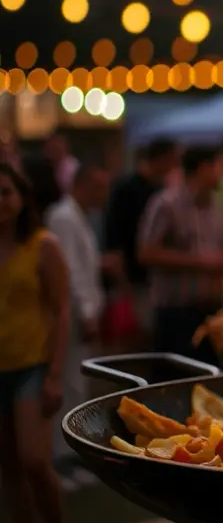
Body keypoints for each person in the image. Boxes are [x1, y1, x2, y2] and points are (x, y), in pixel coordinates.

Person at [0, 162, 69, 523]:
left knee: (34, 461)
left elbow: (62, 310)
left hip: (32, 365)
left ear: (22, 197)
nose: (1, 201)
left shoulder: (43, 245)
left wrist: (55, 375)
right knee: (8, 468)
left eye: (6, 192)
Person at [138, 146, 223, 367]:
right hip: (176, 314)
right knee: (174, 380)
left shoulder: (215, 206)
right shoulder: (166, 204)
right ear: (203, 168)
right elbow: (146, 253)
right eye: (218, 167)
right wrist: (200, 262)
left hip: (211, 314)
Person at [45, 164, 109, 461]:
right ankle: (63, 453)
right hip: (69, 313)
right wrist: (86, 312)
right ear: (83, 184)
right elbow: (71, 270)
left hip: (78, 311)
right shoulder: (64, 217)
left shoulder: (78, 217)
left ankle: (71, 451)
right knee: (69, 382)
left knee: (77, 382)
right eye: (99, 186)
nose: (104, 193)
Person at [104, 137, 178, 338]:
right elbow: (115, 238)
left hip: (154, 282)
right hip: (132, 279)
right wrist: (122, 282)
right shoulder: (126, 189)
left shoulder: (161, 190)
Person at [43, 132, 78, 197]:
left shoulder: (71, 167)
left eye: (56, 146)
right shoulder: (48, 167)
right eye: (50, 146)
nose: (52, 150)